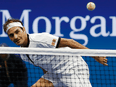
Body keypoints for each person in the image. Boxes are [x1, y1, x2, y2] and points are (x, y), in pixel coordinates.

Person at [3, 19, 108, 87]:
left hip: (72, 68)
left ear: (24, 30)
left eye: (17, 32)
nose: (15, 37)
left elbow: (70, 42)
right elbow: (43, 66)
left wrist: (95, 55)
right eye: (11, 35)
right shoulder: (23, 54)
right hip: (55, 73)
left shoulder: (40, 39)